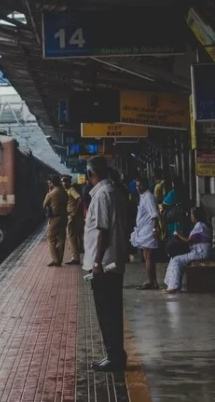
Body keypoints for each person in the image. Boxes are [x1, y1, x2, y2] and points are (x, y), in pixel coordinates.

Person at [83, 155, 128, 372]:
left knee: (106, 311)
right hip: (115, 260)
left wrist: (97, 262)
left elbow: (102, 230)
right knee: (113, 310)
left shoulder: (101, 196)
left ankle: (114, 357)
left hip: (106, 264)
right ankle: (117, 354)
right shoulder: (114, 192)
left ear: (92, 174)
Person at [164, 207, 212, 293]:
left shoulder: (200, 225)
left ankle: (173, 287)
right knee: (174, 258)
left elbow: (188, 240)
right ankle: (170, 284)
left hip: (200, 252)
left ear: (195, 216)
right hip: (199, 251)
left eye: (192, 214)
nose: (191, 217)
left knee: (176, 260)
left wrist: (178, 234)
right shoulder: (203, 224)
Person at [131, 177, 161, 289]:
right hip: (144, 229)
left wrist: (154, 229)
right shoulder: (143, 196)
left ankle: (151, 282)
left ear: (146, 185)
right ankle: (153, 282)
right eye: (137, 186)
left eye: (140, 185)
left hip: (149, 230)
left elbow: (154, 214)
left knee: (148, 256)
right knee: (147, 256)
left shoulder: (148, 197)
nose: (138, 188)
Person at [43, 175, 68, 267]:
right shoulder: (64, 192)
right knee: (61, 238)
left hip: (54, 218)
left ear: (52, 183)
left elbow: (44, 204)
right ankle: (59, 260)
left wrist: (49, 191)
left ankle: (55, 259)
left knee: (50, 237)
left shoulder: (51, 194)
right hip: (64, 217)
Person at [62, 175, 82, 264]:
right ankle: (75, 256)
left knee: (71, 236)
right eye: (62, 181)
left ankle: (75, 258)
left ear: (69, 182)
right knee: (71, 236)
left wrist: (75, 212)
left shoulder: (71, 190)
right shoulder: (66, 191)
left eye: (65, 181)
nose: (63, 183)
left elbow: (80, 199)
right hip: (69, 216)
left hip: (71, 216)